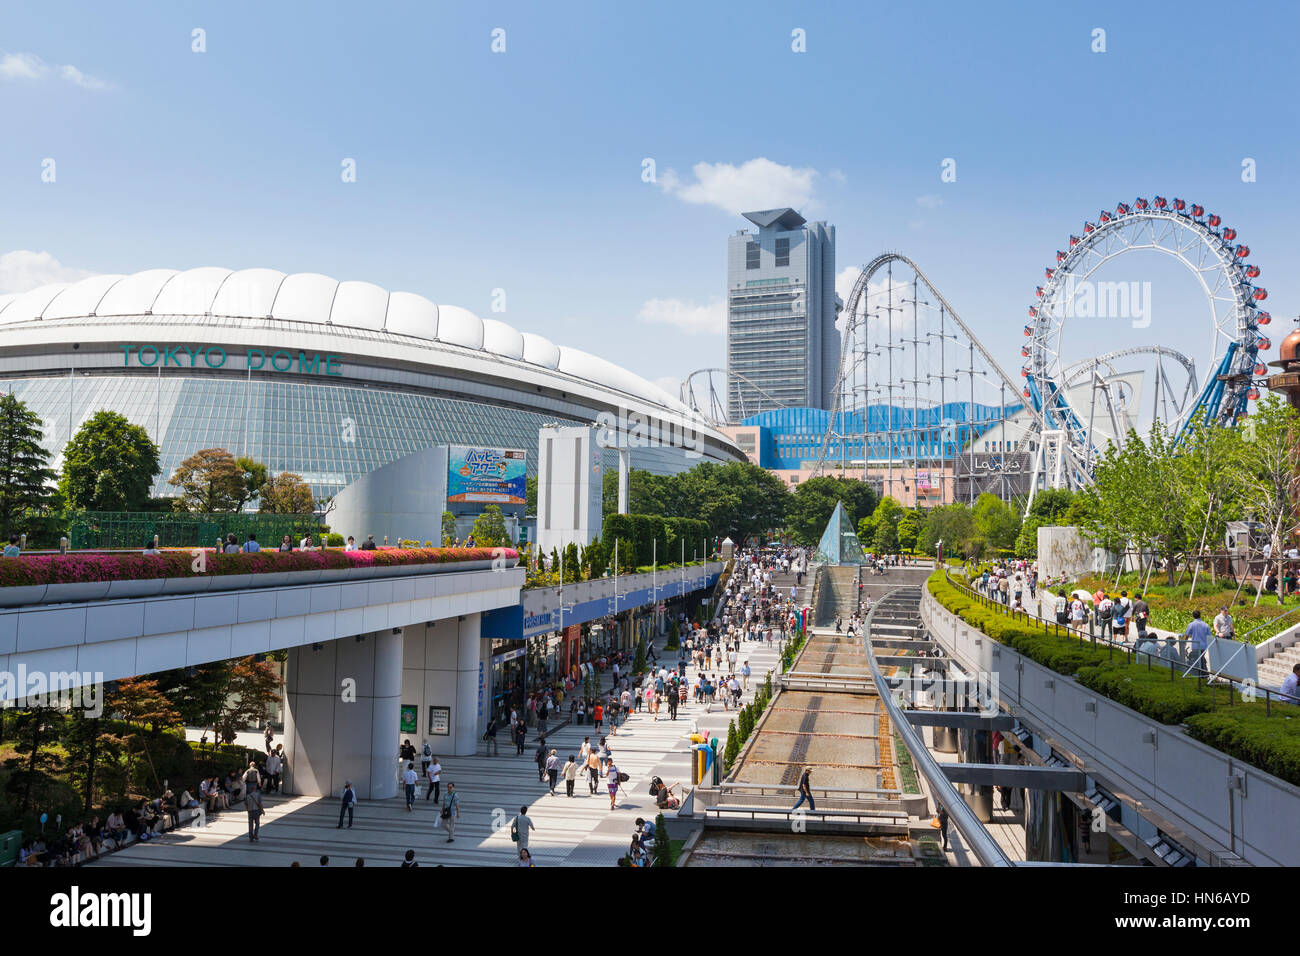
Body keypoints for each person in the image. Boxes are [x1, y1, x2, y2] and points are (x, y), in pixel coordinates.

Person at [1185, 610, 1212, 675]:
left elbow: (1187, 635)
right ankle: (1204, 674)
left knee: (1197, 660)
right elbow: (1209, 636)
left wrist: (1184, 642)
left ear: (1193, 616)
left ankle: (1200, 674)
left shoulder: (1191, 625)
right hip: (1204, 646)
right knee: (1201, 659)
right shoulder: (1206, 625)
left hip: (1195, 646)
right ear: (1200, 615)